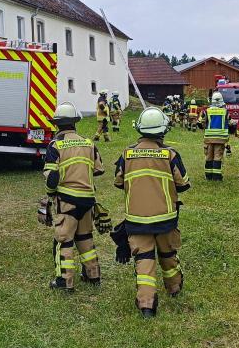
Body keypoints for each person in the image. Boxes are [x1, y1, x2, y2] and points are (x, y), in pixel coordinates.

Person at [112, 107, 191, 318]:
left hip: (136, 220)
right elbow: (183, 184)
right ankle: (174, 288)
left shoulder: (127, 154)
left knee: (144, 260)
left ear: (140, 128)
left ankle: (147, 305)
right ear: (163, 130)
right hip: (166, 218)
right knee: (167, 254)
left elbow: (118, 182)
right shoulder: (170, 154)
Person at [43, 102, 108, 291]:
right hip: (88, 199)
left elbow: (52, 177)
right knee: (85, 236)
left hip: (67, 201)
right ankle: (93, 275)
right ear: (74, 123)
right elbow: (99, 169)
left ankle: (65, 281)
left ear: (57, 125)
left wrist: (50, 195)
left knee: (64, 240)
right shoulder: (88, 143)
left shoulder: (56, 145)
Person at [203, 92, 228, 180]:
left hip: (209, 138)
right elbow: (228, 122)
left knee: (209, 156)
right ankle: (217, 176)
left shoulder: (207, 111)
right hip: (220, 138)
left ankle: (208, 176)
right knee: (217, 156)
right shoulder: (225, 111)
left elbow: (203, 122)